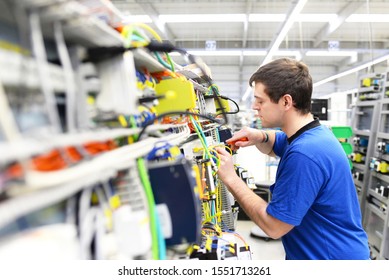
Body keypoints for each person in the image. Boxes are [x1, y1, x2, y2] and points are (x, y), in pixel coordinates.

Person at [215, 58, 370, 260]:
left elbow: (274, 227)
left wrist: (231, 179)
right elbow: (277, 141)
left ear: (286, 101)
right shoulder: (313, 134)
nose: (254, 106)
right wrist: (259, 135)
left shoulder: (304, 154)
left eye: (260, 101)